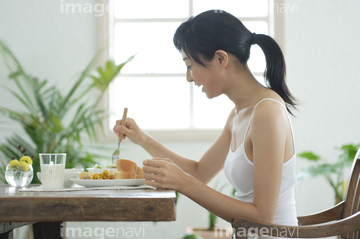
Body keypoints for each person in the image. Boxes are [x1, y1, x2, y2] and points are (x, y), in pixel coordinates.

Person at [113, 9, 298, 234]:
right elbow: (200, 172)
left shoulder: (267, 113)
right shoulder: (239, 114)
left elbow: (263, 217)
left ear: (221, 59)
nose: (188, 77)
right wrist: (142, 139)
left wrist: (182, 182)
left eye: (190, 66)